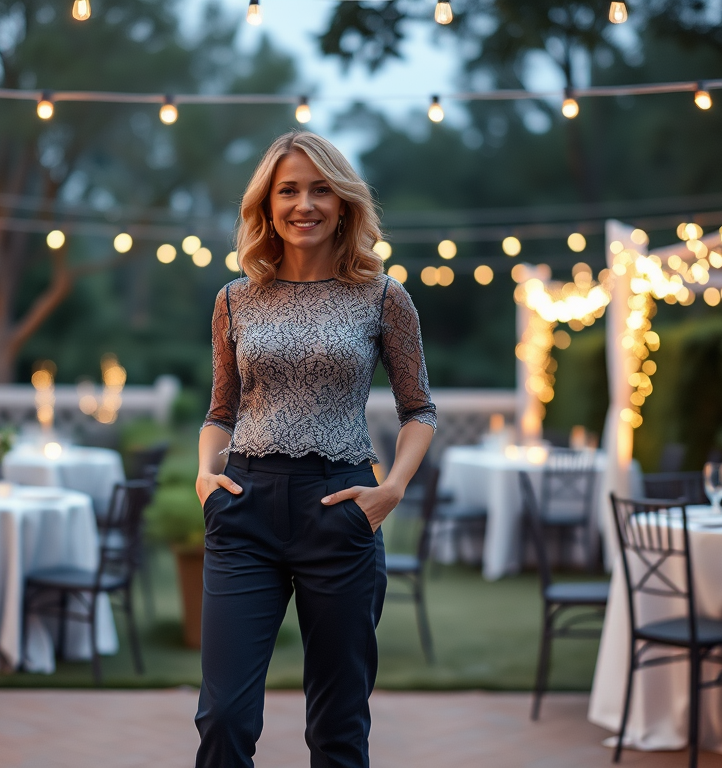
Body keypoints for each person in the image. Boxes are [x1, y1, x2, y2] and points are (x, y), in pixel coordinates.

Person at [194, 131, 436, 768]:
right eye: (289, 190)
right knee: (222, 717)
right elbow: (220, 412)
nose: (305, 204)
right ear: (267, 206)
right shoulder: (233, 300)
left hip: (341, 506)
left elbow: (420, 412)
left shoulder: (384, 297)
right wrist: (203, 475)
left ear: (345, 202)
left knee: (338, 725)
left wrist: (391, 490)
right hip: (245, 505)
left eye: (320, 189)